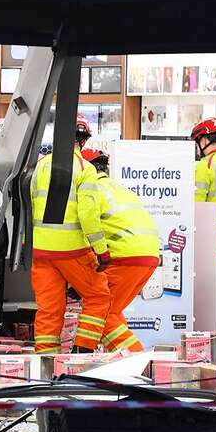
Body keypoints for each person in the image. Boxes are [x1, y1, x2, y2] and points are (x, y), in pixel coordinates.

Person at [30, 115, 111, 354]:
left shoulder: (41, 166)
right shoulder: (85, 169)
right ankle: (82, 353)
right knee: (98, 296)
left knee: (49, 308)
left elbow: (32, 203)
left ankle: (46, 362)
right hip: (71, 250)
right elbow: (88, 214)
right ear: (83, 141)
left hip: (42, 250)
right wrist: (101, 251)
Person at [81, 149, 160, 352]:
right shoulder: (119, 188)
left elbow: (86, 227)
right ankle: (126, 362)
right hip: (148, 256)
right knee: (113, 311)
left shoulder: (90, 189)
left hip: (124, 257)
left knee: (101, 314)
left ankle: (137, 361)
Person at [191, 118, 216, 257]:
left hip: (215, 236)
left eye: (197, 142)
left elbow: (196, 208)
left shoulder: (204, 165)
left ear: (204, 141)